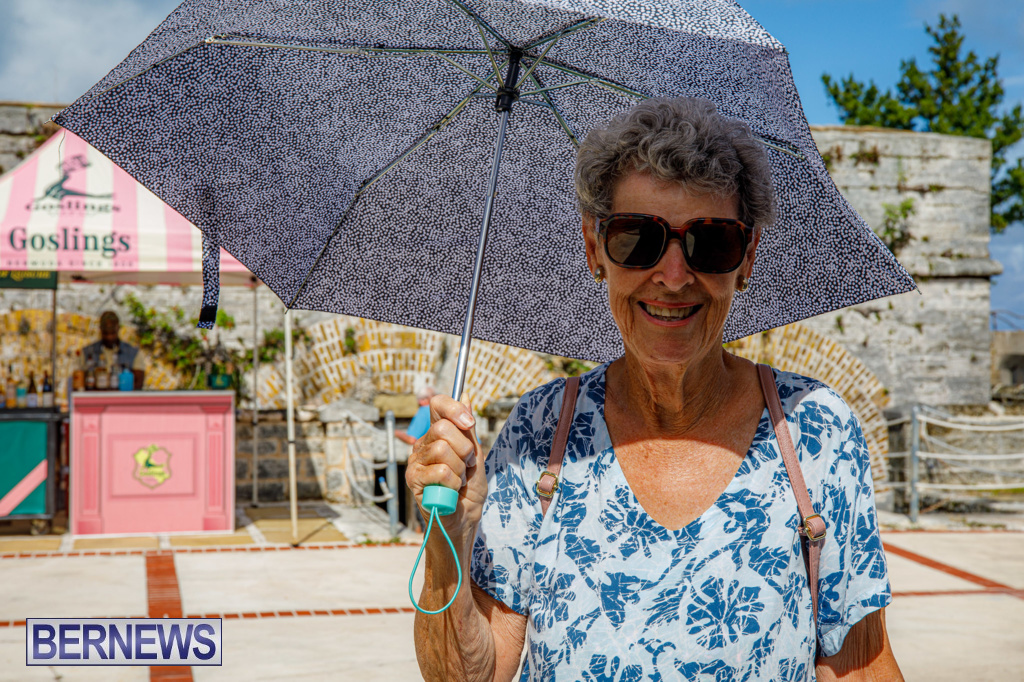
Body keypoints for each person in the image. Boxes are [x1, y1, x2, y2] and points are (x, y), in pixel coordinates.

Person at [406, 97, 902, 680]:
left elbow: (860, 666)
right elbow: (473, 675)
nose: (672, 276)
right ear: (596, 250)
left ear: (746, 258)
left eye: (710, 242)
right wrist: (450, 539)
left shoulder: (814, 428)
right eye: (638, 239)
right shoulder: (541, 430)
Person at [80, 311, 145, 389]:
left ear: (118, 328)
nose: (109, 337)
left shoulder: (133, 353)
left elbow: (138, 384)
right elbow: (79, 381)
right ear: (100, 330)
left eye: (112, 333)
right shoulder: (87, 352)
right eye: (106, 333)